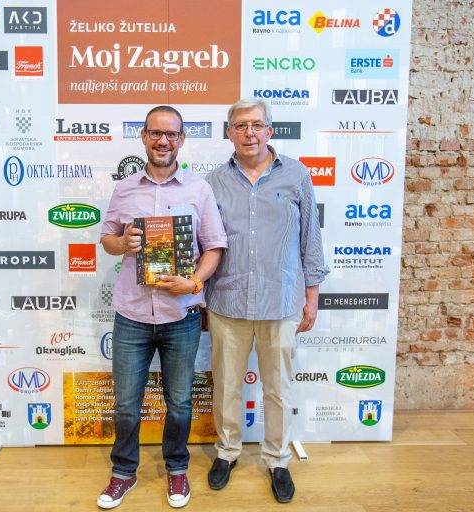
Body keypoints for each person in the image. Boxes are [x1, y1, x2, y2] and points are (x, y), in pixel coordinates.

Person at [97, 105, 227, 509]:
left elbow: (215, 247)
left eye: (171, 134)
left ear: (181, 140)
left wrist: (195, 282)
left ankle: (177, 468)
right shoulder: (124, 189)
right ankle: (123, 473)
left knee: (181, 403)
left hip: (181, 315)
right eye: (155, 133)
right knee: (125, 404)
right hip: (132, 315)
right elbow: (107, 238)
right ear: (144, 137)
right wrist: (123, 244)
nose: (163, 140)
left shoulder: (198, 189)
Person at [204, 98, 329, 503]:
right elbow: (204, 242)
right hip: (228, 302)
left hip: (281, 301)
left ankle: (277, 460)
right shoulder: (213, 181)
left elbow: (311, 238)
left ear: (270, 131)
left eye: (257, 125)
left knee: (278, 389)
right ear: (229, 133)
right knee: (226, 387)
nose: (249, 132)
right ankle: (227, 452)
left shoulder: (296, 175)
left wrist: (312, 296)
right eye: (240, 125)